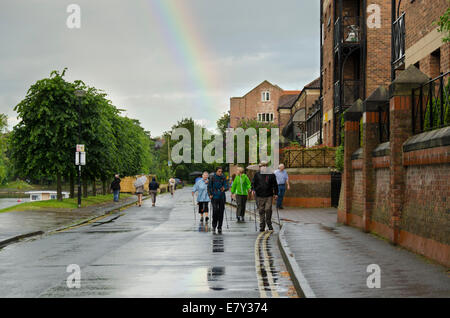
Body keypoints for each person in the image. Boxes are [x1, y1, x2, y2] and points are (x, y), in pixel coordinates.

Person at [252, 161, 278, 232]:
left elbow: (275, 185)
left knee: (268, 209)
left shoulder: (271, 175)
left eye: (263, 166)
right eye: (260, 166)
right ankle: (262, 226)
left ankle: (269, 223)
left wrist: (276, 194)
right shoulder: (257, 174)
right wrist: (253, 190)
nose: (261, 168)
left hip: (269, 195)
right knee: (261, 210)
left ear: (266, 167)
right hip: (260, 195)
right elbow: (253, 183)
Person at [208, 167, 229, 234]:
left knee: (221, 212)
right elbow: (209, 187)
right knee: (215, 211)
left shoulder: (223, 177)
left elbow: (226, 186)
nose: (220, 173)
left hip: (222, 196)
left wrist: (224, 188)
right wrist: (210, 194)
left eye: (221, 171)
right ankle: (214, 225)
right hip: (214, 196)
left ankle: (219, 226)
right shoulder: (212, 177)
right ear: (216, 172)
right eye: (219, 171)